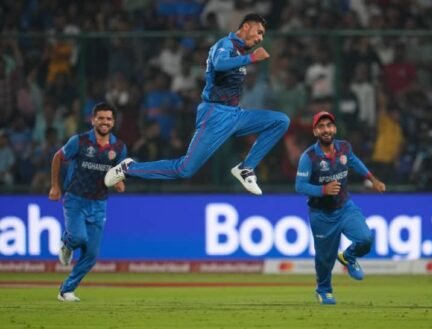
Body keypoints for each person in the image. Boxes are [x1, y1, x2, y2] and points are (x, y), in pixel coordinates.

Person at [104, 13, 289, 195]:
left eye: (263, 35)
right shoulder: (225, 44)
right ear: (246, 26)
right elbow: (219, 64)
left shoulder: (239, 52)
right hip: (215, 114)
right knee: (185, 169)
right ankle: (128, 168)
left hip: (235, 114)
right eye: (259, 32)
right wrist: (252, 58)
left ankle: (246, 168)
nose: (260, 38)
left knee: (280, 121)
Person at [295, 111, 386, 305]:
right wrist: (323, 189)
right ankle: (324, 290)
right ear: (315, 132)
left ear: (334, 128)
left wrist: (372, 179)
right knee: (324, 259)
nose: (326, 129)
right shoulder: (308, 157)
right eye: (321, 126)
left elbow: (356, 162)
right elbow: (300, 186)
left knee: (365, 239)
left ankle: (348, 256)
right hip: (321, 214)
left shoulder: (345, 147)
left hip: (345, 207)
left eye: (329, 125)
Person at [49, 103, 127, 302]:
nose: (105, 122)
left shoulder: (119, 147)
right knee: (78, 238)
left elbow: (118, 174)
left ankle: (66, 290)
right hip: (75, 199)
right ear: (93, 120)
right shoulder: (80, 141)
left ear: (113, 122)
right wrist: (55, 187)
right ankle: (67, 243)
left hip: (99, 203)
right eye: (100, 118)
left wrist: (119, 183)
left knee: (91, 255)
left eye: (108, 119)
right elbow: (58, 157)